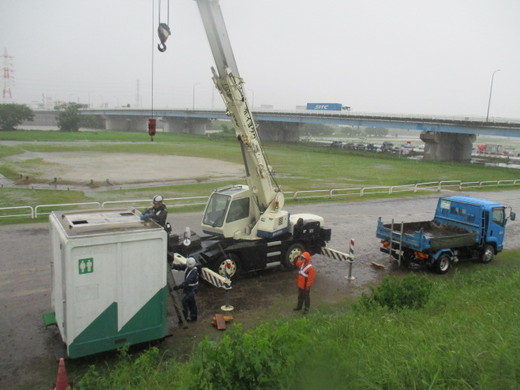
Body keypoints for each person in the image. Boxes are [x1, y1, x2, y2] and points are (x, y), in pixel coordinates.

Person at [172, 257, 199, 322]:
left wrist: (179, 287)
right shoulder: (187, 267)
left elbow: (187, 281)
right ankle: (193, 316)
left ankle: (185, 317)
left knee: (185, 301)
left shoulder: (194, 272)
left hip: (193, 289)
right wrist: (173, 266)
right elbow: (180, 267)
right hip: (189, 289)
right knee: (191, 302)